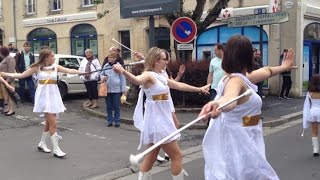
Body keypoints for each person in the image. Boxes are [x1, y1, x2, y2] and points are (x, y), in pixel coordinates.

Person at [198, 35, 296, 180]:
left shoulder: (239, 77)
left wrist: (284, 67)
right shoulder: (236, 81)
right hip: (240, 141)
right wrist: (218, 103)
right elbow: (230, 98)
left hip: (246, 135)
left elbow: (267, 71)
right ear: (248, 56)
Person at [113, 47, 210, 180]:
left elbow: (178, 85)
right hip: (158, 122)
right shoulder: (149, 75)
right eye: (165, 59)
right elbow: (136, 80)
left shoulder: (161, 76)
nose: (167, 62)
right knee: (177, 156)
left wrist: (199, 89)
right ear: (156, 61)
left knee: (151, 156)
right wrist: (123, 71)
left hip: (162, 119)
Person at [0, 47, 85, 158]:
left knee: (49, 123)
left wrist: (83, 72)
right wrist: (5, 74)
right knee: (53, 123)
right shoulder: (37, 68)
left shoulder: (56, 67)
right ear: (46, 58)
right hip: (43, 98)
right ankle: (56, 149)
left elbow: (70, 71)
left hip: (54, 96)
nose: (54, 57)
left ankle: (42, 143)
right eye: (52, 56)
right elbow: (21, 75)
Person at [100, 53, 127, 128]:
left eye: (111, 57)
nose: (109, 58)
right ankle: (110, 120)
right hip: (107, 89)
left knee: (116, 106)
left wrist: (123, 90)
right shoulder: (106, 66)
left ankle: (117, 121)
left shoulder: (119, 66)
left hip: (116, 90)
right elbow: (101, 74)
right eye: (108, 57)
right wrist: (103, 78)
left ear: (115, 58)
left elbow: (122, 78)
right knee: (108, 106)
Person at [302, 74, 320, 156]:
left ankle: (315, 150)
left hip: (312, 112)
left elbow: (306, 106)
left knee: (314, 131)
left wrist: (305, 118)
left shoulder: (310, 93)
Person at [0, 46, 16, 116]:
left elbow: (11, 71)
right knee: (6, 96)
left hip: (9, 80)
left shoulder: (10, 58)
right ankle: (8, 109)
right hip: (4, 80)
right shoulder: (5, 58)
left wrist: (7, 81)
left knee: (10, 96)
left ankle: (11, 110)